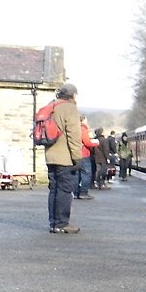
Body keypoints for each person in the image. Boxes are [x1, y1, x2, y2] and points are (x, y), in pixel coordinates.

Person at [44, 83, 83, 234]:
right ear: (72, 95)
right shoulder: (70, 108)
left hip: (50, 156)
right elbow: (74, 135)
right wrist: (77, 157)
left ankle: (53, 223)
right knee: (65, 190)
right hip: (65, 157)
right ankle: (62, 223)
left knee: (53, 190)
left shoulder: (51, 106)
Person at [74, 115, 96, 199]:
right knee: (86, 174)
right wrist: (96, 143)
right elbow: (87, 142)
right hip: (84, 154)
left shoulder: (74, 128)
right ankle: (84, 192)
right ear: (83, 120)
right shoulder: (83, 129)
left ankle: (75, 193)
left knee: (77, 174)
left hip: (76, 154)